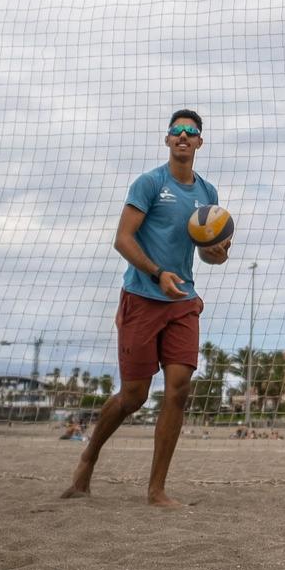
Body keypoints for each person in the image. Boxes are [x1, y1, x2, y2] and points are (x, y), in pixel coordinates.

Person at [62, 109, 228, 508]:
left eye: (191, 132)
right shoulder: (150, 183)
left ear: (200, 142)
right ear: (168, 140)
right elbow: (122, 239)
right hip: (142, 296)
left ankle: (156, 490)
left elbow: (209, 255)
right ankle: (89, 456)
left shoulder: (208, 194)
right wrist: (157, 274)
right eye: (177, 132)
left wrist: (217, 253)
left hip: (183, 302)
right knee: (134, 396)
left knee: (179, 390)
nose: (183, 137)